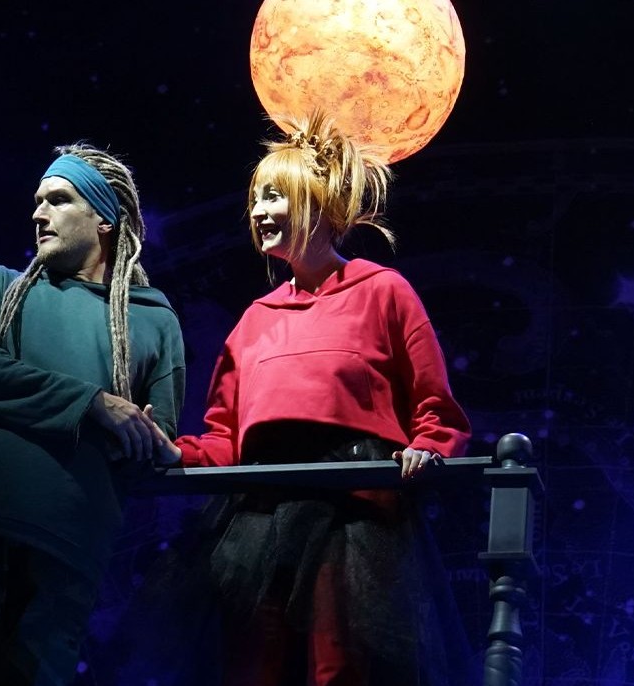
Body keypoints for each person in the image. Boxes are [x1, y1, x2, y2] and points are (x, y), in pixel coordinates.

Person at [152, 111, 472, 686]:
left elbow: (436, 408)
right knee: (252, 665)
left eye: (273, 196)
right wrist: (178, 453)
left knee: (340, 664)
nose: (257, 212)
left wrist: (428, 446)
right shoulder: (254, 319)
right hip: (261, 512)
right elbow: (225, 438)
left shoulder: (383, 291)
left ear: (318, 204)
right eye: (255, 199)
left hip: (352, 508)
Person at [0, 143, 186, 686]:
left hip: (68, 545)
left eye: (58, 199)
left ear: (104, 219)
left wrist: (157, 447)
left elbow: (157, 429)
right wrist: (94, 403)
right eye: (37, 201)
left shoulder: (153, 318)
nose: (38, 213)